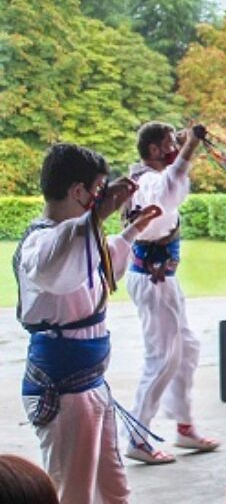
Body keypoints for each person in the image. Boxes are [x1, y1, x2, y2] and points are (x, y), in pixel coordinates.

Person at [13, 143, 162, 504]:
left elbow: (93, 263)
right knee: (72, 492)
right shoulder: (42, 243)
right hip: (63, 389)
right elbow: (58, 265)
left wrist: (131, 232)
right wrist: (96, 216)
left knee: (112, 486)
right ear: (78, 192)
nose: (99, 201)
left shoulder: (73, 236)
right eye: (96, 192)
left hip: (88, 382)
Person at [124, 123, 219, 464]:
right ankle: (137, 435)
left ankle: (183, 425)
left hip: (162, 278)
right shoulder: (147, 181)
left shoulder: (147, 178)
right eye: (167, 144)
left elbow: (173, 187)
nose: (173, 149)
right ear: (152, 150)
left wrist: (184, 147)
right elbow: (169, 190)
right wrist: (191, 146)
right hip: (152, 280)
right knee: (162, 357)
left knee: (187, 347)